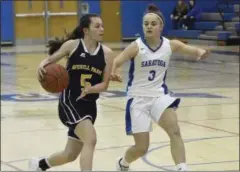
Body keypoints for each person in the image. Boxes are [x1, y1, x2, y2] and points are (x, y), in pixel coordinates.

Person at [111, 4, 210, 171]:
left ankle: (182, 167)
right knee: (141, 148)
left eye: (153, 23)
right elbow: (117, 61)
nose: (149, 26)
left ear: (161, 26)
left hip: (159, 96)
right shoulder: (136, 46)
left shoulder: (170, 45)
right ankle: (123, 163)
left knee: (175, 131)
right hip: (138, 98)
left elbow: (187, 49)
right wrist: (114, 71)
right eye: (146, 23)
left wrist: (200, 52)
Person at [29, 13, 114, 171]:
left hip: (90, 106)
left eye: (102, 26)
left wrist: (91, 88)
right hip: (70, 101)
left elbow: (104, 85)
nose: (102, 29)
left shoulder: (108, 54)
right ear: (86, 30)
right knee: (91, 139)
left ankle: (39, 165)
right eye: (97, 26)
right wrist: (41, 65)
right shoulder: (73, 45)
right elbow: (49, 60)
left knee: (70, 154)